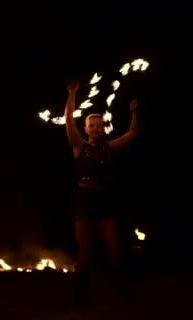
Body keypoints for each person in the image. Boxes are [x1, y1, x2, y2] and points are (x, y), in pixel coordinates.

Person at [64, 80, 139, 302]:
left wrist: (134, 112)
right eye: (92, 125)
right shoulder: (79, 146)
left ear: (104, 127)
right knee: (86, 250)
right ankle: (79, 293)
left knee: (115, 249)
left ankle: (121, 290)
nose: (96, 128)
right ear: (86, 129)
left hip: (106, 200)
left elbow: (132, 134)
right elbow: (69, 120)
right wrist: (73, 94)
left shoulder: (110, 146)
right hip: (84, 200)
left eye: (100, 125)